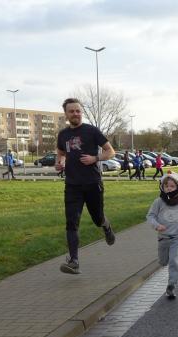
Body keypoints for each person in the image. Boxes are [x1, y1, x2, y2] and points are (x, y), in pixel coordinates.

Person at [55, 97, 117, 275]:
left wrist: (95, 158)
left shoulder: (91, 131)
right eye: (72, 111)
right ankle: (74, 261)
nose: (75, 113)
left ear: (81, 112)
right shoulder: (63, 134)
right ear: (66, 114)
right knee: (71, 222)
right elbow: (61, 153)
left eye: (78, 111)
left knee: (97, 218)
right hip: (72, 185)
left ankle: (106, 226)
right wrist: (59, 163)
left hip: (92, 183)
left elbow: (110, 151)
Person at [146, 172, 178, 300]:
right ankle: (164, 262)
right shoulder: (158, 202)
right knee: (163, 262)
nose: (169, 189)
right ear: (162, 187)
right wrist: (157, 225)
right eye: (166, 186)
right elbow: (150, 216)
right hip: (163, 238)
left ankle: (171, 285)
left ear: (177, 187)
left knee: (174, 261)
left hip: (176, 238)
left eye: (172, 186)